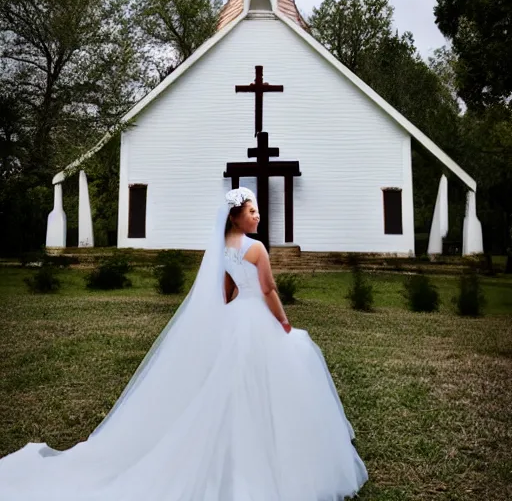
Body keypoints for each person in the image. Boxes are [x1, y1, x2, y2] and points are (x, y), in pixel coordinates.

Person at [0, 187, 368, 500]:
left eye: (256, 211)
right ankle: (266, 461)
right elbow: (269, 289)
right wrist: (285, 323)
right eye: (252, 211)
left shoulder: (222, 247)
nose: (258, 216)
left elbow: (226, 290)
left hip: (237, 316)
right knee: (276, 372)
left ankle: (233, 451)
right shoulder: (256, 249)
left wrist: (231, 313)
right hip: (257, 318)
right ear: (238, 217)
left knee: (231, 385)